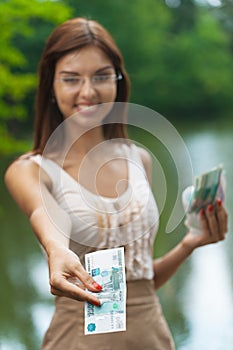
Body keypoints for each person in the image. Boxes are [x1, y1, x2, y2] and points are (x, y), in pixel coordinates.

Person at [4, 17, 228, 350]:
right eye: (71, 79)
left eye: (101, 76)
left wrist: (190, 243)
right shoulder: (30, 170)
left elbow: (140, 282)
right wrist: (56, 251)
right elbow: (43, 213)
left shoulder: (140, 159)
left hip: (151, 338)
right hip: (77, 341)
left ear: (119, 81)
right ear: (50, 85)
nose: (88, 92)